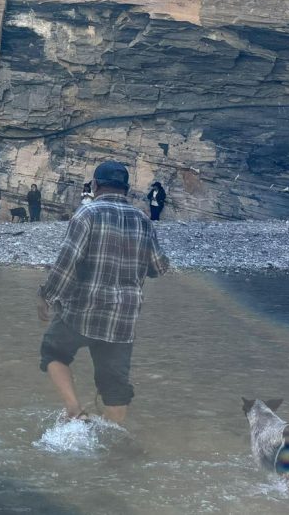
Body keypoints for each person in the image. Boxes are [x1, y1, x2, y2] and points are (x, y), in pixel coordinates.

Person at [37, 160, 170, 424]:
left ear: (95, 185)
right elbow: (159, 267)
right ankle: (111, 444)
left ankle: (75, 410)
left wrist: (46, 295)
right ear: (127, 189)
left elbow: (67, 262)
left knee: (53, 353)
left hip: (82, 310)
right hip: (122, 319)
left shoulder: (87, 214)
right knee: (114, 388)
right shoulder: (143, 220)